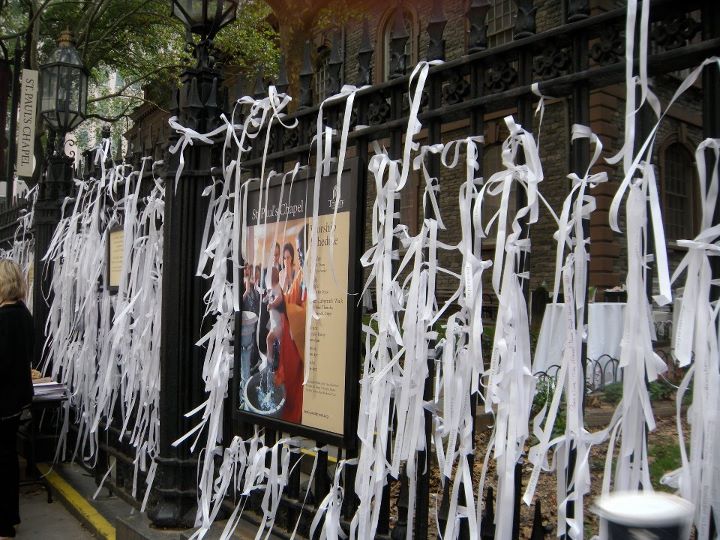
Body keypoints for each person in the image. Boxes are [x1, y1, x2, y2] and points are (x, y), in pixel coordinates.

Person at [0, 260, 34, 540]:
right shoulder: (25, 315)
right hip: (15, 401)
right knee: (8, 459)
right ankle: (8, 521)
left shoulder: (2, 319)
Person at [265, 267, 285, 367]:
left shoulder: (277, 287)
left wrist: (272, 304)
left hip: (277, 324)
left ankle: (273, 361)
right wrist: (266, 299)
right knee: (270, 339)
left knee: (275, 341)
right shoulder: (272, 289)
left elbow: (280, 298)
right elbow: (271, 296)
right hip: (274, 323)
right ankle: (271, 360)